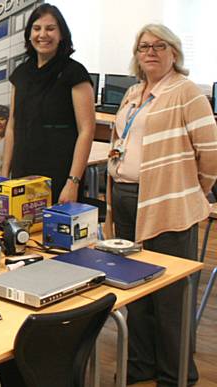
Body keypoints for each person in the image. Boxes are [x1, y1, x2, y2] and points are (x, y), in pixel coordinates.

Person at [105, 24, 217, 386]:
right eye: (143, 46)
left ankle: (175, 373)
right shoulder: (133, 93)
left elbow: (211, 155)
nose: (150, 51)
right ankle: (140, 364)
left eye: (159, 45)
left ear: (174, 52)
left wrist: (188, 192)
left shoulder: (187, 93)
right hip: (125, 199)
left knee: (170, 295)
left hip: (168, 204)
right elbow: (119, 140)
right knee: (133, 287)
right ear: (137, 55)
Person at [1, 3, 95, 204]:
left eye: (50, 28)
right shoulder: (21, 74)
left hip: (60, 174)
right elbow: (12, 126)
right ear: (29, 34)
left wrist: (73, 182)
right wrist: (3, 174)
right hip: (23, 172)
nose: (42, 34)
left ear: (61, 35)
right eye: (37, 28)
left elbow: (87, 130)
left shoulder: (74, 73)